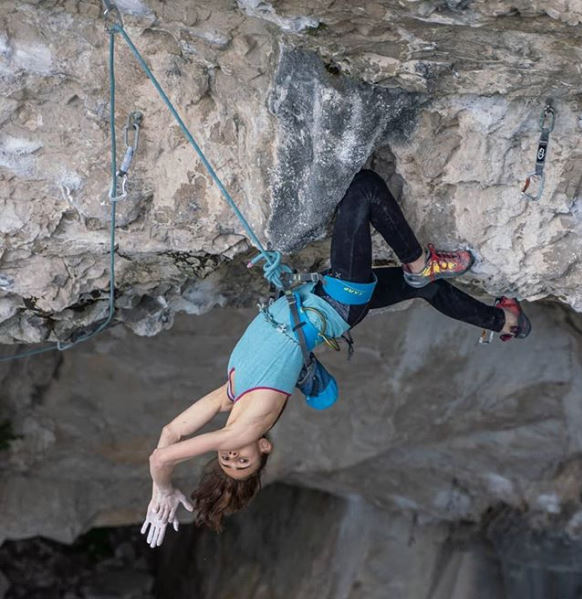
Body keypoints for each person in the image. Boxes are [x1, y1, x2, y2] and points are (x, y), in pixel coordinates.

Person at [140, 169, 531, 546]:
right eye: (242, 463)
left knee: (424, 291)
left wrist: (173, 478)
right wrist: (163, 490)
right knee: (363, 190)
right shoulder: (244, 429)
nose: (231, 454)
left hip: (326, 297)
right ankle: (419, 262)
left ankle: (504, 321)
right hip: (338, 301)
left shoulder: (231, 393)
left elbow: (170, 435)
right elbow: (162, 458)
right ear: (263, 448)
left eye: (226, 460)